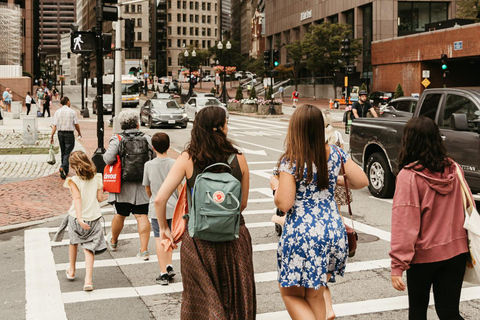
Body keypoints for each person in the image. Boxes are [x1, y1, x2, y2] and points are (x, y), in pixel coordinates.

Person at [154, 106, 256, 319]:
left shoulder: (187, 159)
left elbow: (160, 199)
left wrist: (165, 228)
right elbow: (243, 204)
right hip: (234, 238)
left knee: (200, 299)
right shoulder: (239, 159)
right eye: (226, 123)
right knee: (236, 296)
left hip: (199, 240)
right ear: (219, 128)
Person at [269, 105, 368, 320]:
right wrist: (334, 179)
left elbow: (284, 203)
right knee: (315, 294)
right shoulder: (335, 153)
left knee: (290, 293)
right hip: (333, 230)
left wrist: (276, 186)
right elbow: (361, 180)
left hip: (302, 233)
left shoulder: (291, 160)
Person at [390, 116, 470, 320]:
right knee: (449, 312)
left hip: (423, 257)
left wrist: (398, 265)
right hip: (456, 254)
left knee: (418, 313)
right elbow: (467, 205)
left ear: (409, 141)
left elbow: (404, 224)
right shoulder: (454, 169)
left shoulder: (409, 176)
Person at [103, 109, 154, 260]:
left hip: (123, 185)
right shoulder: (147, 138)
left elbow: (107, 159)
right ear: (137, 123)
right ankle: (144, 250)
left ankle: (113, 242)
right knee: (142, 215)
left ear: (122, 124)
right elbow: (154, 156)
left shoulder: (117, 139)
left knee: (120, 214)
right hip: (143, 184)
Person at [53, 151, 106, 292]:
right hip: (93, 218)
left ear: (74, 166)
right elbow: (100, 199)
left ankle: (72, 270)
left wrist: (79, 217)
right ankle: (88, 280)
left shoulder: (73, 180)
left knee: (73, 242)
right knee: (89, 248)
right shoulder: (97, 178)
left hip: (76, 218)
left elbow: (77, 199)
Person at [142, 132, 180, 285]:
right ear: (169, 146)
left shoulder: (148, 165)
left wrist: (153, 198)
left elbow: (147, 188)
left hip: (156, 206)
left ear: (153, 147)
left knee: (159, 238)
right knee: (169, 235)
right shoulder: (174, 163)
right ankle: (169, 265)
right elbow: (179, 186)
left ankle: (163, 272)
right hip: (173, 206)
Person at [50, 96, 82, 179]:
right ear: (67, 102)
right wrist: (79, 133)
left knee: (63, 151)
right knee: (68, 152)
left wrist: (51, 136)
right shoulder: (72, 112)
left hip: (60, 133)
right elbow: (76, 124)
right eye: (69, 101)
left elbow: (54, 126)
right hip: (69, 134)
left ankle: (65, 171)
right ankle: (63, 167)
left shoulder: (57, 112)